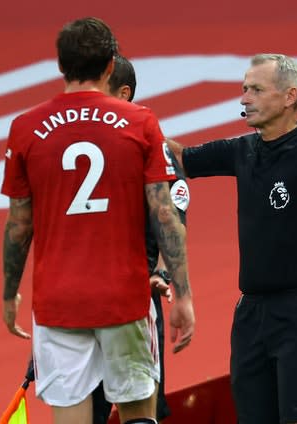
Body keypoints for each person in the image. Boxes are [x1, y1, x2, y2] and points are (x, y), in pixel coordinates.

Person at [167, 53, 297, 424]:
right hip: (251, 311)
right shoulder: (241, 150)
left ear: (289, 96)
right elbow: (180, 158)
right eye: (244, 89)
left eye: (255, 89)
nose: (244, 98)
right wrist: (132, 128)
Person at [0, 17, 194, 424]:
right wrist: (184, 294)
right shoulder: (141, 123)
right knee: (140, 411)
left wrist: (9, 294)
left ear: (61, 66)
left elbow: (19, 225)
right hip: (124, 295)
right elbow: (165, 215)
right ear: (110, 66)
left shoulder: (25, 127)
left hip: (58, 301)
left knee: (72, 416)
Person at [91, 54, 190, 424]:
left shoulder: (156, 149)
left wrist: (164, 277)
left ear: (124, 92)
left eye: (95, 88)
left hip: (136, 301)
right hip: (80, 303)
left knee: (142, 411)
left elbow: (173, 221)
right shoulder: (75, 149)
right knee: (85, 411)